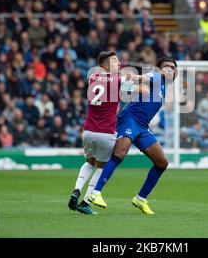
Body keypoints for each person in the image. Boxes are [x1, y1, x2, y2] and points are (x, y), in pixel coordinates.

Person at [88, 57, 177, 215]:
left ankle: (141, 198)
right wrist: (134, 78)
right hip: (130, 119)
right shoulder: (155, 77)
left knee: (162, 163)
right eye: (167, 66)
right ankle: (95, 192)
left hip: (142, 126)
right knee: (120, 153)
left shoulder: (163, 86)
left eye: (173, 67)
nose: (170, 69)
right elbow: (142, 78)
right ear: (158, 69)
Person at [68, 51, 125, 215]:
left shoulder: (92, 78)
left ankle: (76, 190)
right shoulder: (118, 80)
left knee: (89, 161)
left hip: (87, 131)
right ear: (105, 66)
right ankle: (85, 201)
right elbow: (136, 85)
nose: (119, 64)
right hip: (105, 132)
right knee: (102, 167)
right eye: (115, 61)